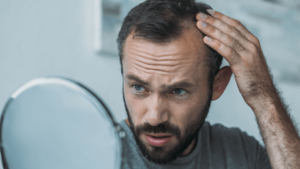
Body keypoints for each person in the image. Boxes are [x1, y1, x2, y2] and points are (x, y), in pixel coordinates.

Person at [116, 0, 300, 168]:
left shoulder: (242, 153)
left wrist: (263, 97)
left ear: (217, 85)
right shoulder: (99, 152)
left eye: (178, 91)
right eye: (138, 87)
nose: (155, 117)